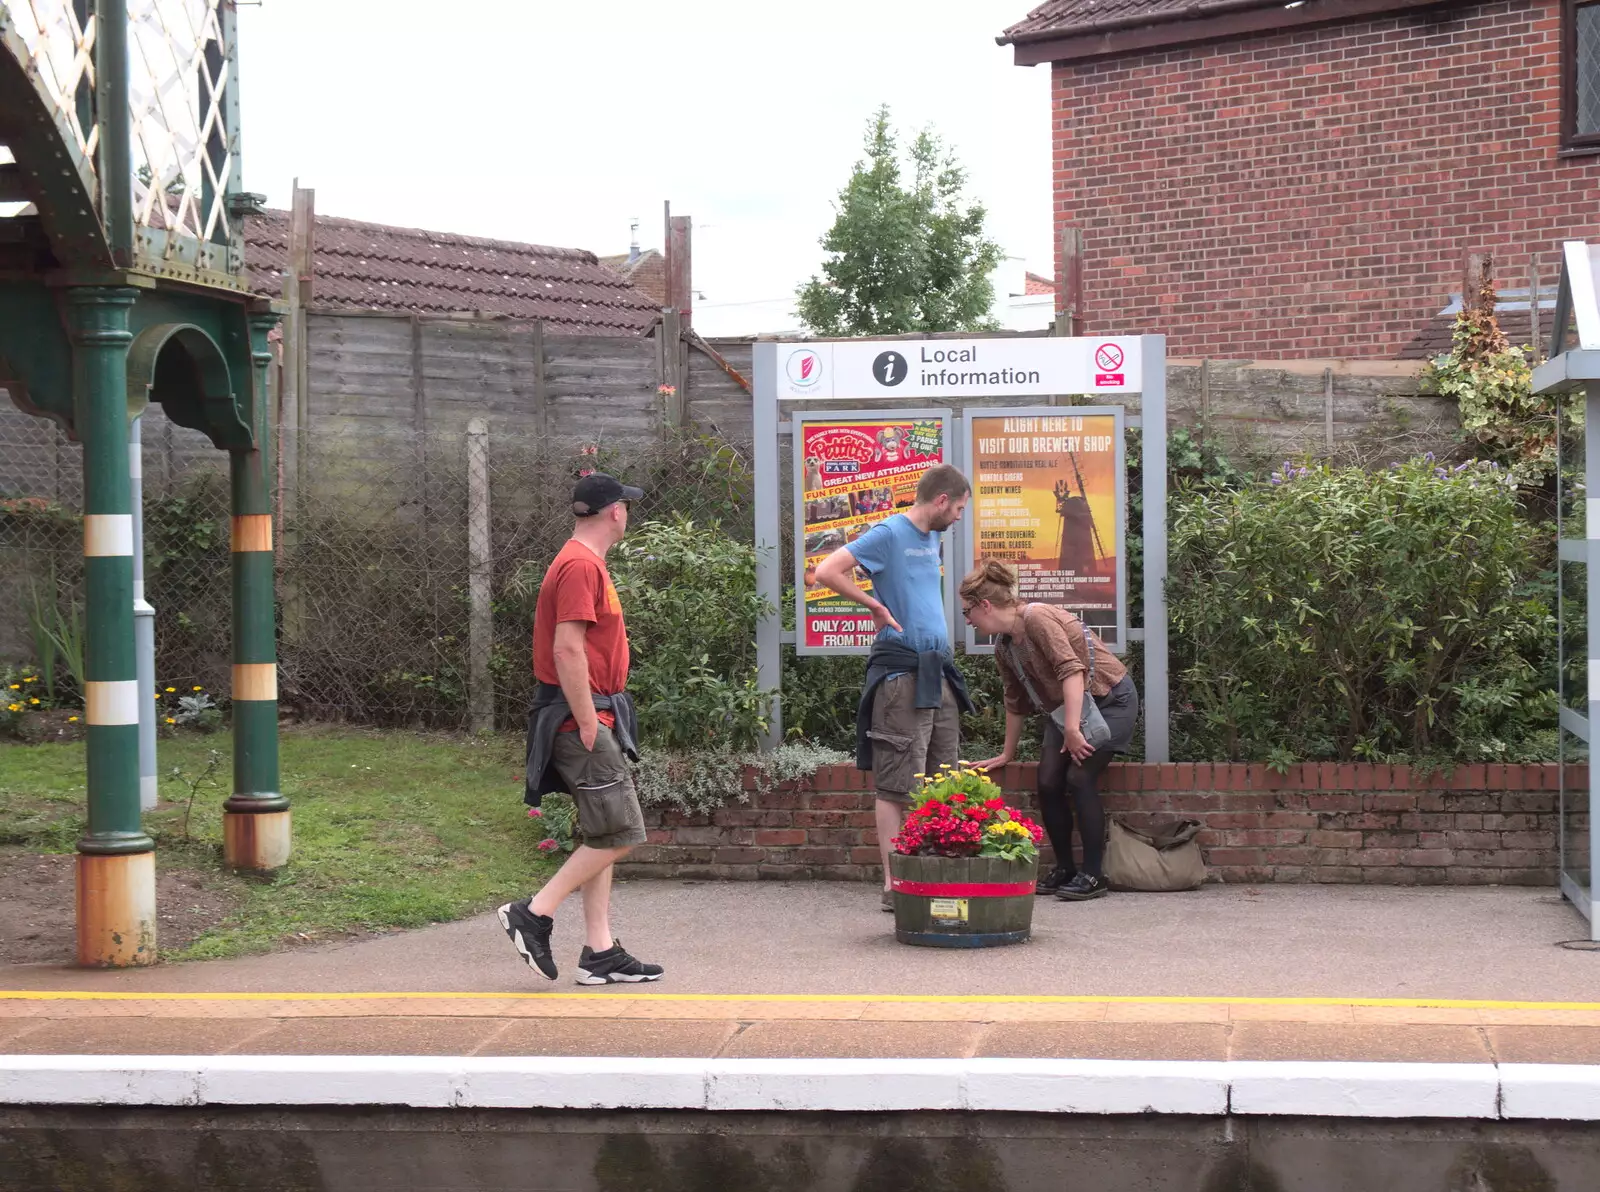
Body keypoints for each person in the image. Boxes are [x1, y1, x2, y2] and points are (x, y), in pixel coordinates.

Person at [498, 472, 664, 985]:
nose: (628, 513)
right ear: (615, 512)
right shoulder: (577, 566)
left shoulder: (584, 563)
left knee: (602, 829)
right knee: (622, 830)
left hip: (590, 711)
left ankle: (600, 951)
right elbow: (566, 648)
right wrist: (589, 721)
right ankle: (534, 912)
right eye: (627, 507)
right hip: (581, 717)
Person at [814, 463, 974, 911]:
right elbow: (827, 570)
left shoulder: (932, 537)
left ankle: (934, 870)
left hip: (937, 671)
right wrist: (874, 607)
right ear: (941, 501)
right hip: (902, 674)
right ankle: (894, 882)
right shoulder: (889, 532)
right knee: (896, 783)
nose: (960, 517)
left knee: (943, 778)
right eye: (959, 508)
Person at [960, 559, 1139, 901]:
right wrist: (1006, 753)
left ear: (985, 605)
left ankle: (1093, 874)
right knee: (1046, 781)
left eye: (968, 611)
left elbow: (1071, 671)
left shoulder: (1037, 618)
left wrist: (1073, 730)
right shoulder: (1005, 646)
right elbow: (1015, 701)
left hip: (1110, 699)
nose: (967, 620)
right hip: (1068, 710)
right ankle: (1066, 869)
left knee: (1079, 778)